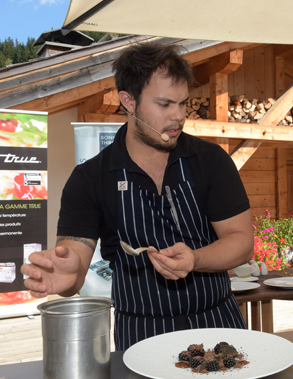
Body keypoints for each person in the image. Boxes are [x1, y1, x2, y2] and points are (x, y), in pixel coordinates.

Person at [21, 42, 254, 350]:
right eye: (164, 104)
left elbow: (241, 243)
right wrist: (68, 274)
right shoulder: (90, 179)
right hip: (143, 336)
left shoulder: (210, 161)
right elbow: (74, 259)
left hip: (219, 327)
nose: (178, 117)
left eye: (183, 103)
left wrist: (195, 259)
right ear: (128, 101)